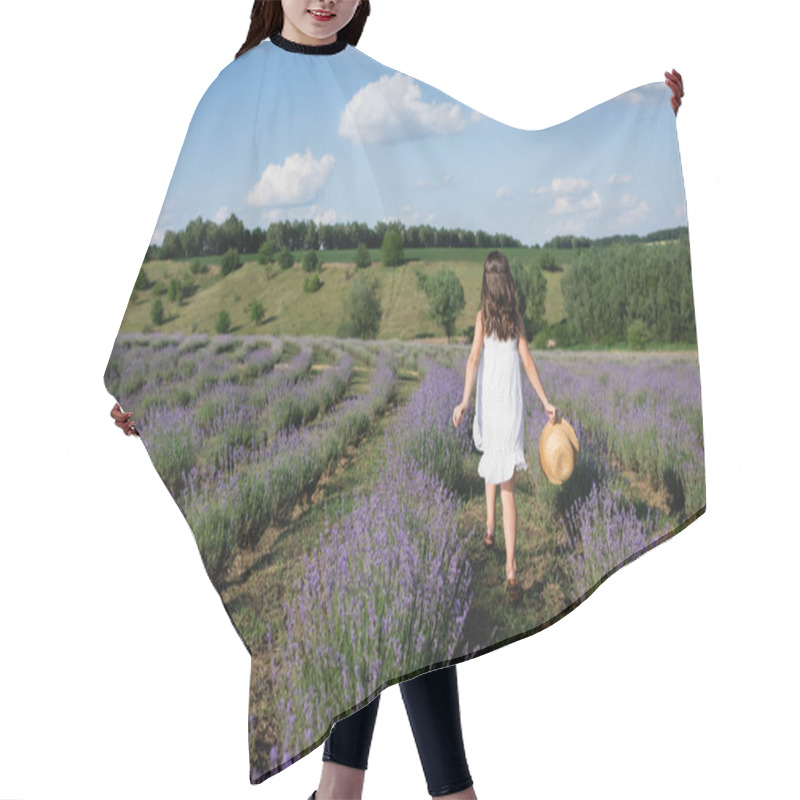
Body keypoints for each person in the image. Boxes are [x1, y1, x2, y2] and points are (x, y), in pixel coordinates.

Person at [108, 2, 685, 798]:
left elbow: (493, 160)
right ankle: (424, 791)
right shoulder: (234, 92)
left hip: (423, 354)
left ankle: (353, 790)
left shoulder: (374, 85)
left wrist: (640, 118)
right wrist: (148, 388)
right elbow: (181, 228)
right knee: (397, 611)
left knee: (398, 610)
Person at [452, 251, 557, 606]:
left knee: (491, 466)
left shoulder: (483, 318)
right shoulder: (515, 320)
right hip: (511, 409)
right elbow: (528, 362)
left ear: (486, 281)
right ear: (508, 282)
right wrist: (544, 401)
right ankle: (511, 568)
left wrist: (465, 401)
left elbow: (472, 359)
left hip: (490, 407)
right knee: (507, 485)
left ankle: (489, 527)